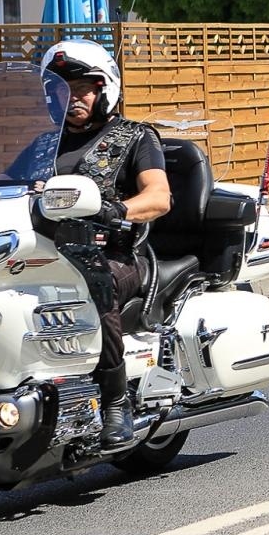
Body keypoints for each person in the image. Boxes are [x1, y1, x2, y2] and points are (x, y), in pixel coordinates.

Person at [42, 38, 172, 448]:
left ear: (104, 89)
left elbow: (159, 197)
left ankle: (116, 403)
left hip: (115, 255)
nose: (72, 97)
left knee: (95, 285)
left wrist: (117, 212)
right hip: (44, 254)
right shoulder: (41, 143)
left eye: (81, 88)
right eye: (62, 89)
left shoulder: (134, 137)